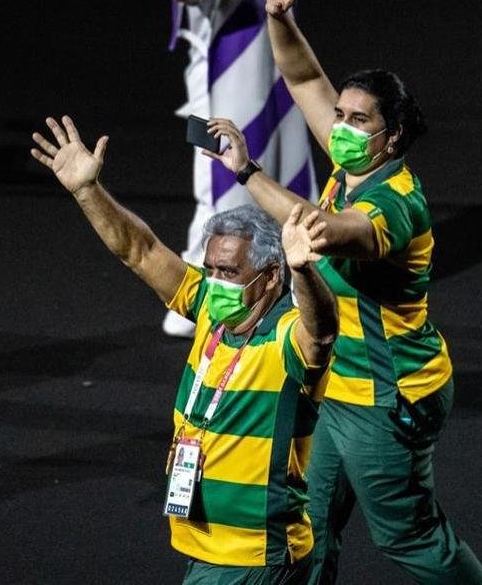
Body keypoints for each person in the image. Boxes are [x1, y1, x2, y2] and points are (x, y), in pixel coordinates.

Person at [199, 0, 482, 583]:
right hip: (335, 388)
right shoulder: (349, 170)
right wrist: (278, 16)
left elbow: (322, 231)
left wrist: (249, 173)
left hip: (387, 398)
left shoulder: (395, 202)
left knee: (411, 538)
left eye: (359, 121)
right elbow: (303, 75)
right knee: (306, 524)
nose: (341, 126)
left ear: (391, 139)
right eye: (341, 115)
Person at [30, 114, 340, 584]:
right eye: (210, 268)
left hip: (252, 558)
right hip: (206, 546)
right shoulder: (213, 316)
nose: (214, 283)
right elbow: (141, 250)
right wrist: (87, 192)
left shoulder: (287, 339)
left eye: (229, 273)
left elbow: (322, 332)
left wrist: (305, 272)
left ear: (271, 276)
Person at [162, 0, 363, 339]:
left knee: (291, 179)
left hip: (280, 85)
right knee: (223, 189)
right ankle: (196, 294)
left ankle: (302, 280)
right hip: (229, 88)